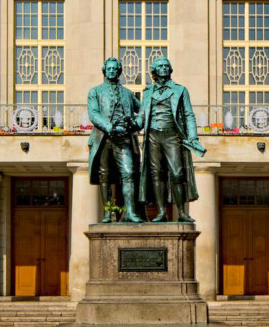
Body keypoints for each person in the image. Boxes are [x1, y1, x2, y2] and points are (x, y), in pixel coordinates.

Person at [137, 56, 205, 222]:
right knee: (156, 174)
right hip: (152, 135)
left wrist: (193, 137)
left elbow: (188, 114)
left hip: (172, 135)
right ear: (154, 71)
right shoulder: (147, 92)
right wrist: (129, 124)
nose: (164, 68)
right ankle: (161, 212)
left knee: (177, 172)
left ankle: (181, 212)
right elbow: (141, 117)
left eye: (166, 66)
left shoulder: (180, 90)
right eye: (160, 66)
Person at [86, 57, 142, 222]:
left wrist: (135, 124)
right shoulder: (95, 91)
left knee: (128, 173)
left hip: (124, 138)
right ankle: (108, 213)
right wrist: (109, 126)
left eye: (115, 69)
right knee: (105, 175)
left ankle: (130, 212)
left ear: (119, 71)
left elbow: (143, 111)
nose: (112, 71)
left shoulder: (128, 93)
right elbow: (94, 113)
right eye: (109, 69)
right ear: (104, 71)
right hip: (104, 138)